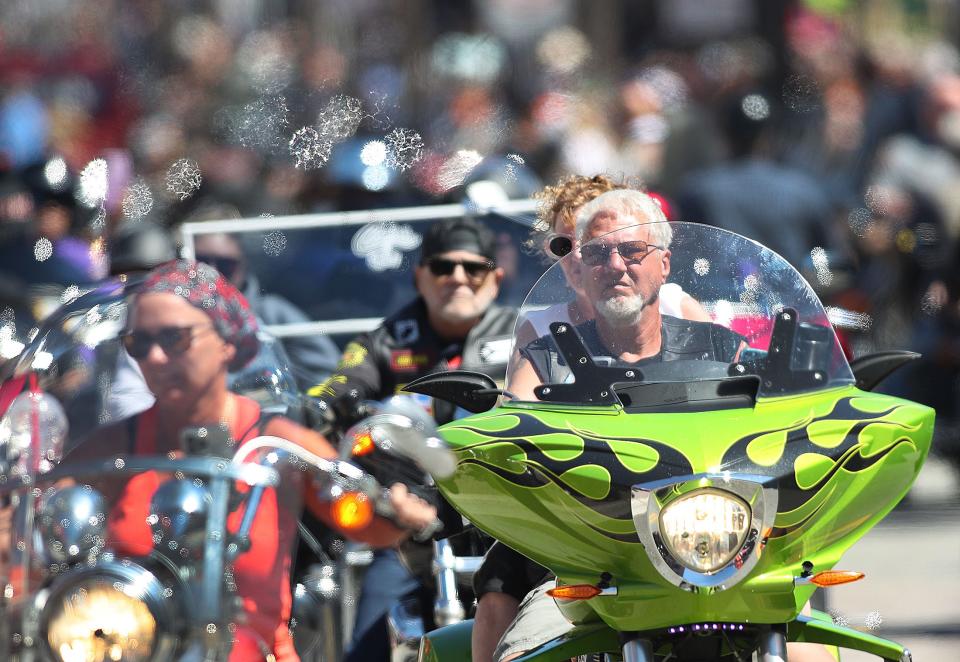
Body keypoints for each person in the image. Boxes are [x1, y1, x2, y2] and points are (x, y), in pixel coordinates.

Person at [493, 189, 834, 662]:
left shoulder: (717, 346)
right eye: (596, 253)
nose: (615, 265)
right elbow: (511, 423)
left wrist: (826, 400)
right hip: (594, 563)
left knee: (810, 649)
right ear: (580, 269)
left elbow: (781, 408)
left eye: (633, 251)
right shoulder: (546, 355)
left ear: (665, 265)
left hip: (715, 544)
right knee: (526, 653)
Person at [66, 259, 437, 662]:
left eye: (174, 339)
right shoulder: (112, 448)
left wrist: (398, 510)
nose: (153, 358)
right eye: (139, 344)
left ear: (227, 342)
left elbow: (367, 522)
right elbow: (29, 525)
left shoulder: (277, 440)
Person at [471, 176, 709, 662]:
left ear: (662, 262)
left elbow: (746, 391)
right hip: (583, 520)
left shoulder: (697, 328)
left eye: (628, 249)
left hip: (687, 516)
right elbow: (518, 415)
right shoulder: (546, 340)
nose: (602, 262)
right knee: (504, 584)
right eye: (585, 249)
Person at [306, 216, 517, 662]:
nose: (458, 279)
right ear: (420, 275)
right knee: (365, 647)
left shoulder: (525, 336)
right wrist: (318, 408)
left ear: (496, 278)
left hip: (507, 518)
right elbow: (339, 386)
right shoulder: (387, 339)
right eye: (443, 268)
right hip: (408, 522)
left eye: (473, 268)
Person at [193, 232, 341, 388]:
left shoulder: (273, 313)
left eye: (226, 264)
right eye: (201, 263)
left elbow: (329, 376)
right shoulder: (173, 316)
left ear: (245, 265)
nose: (212, 272)